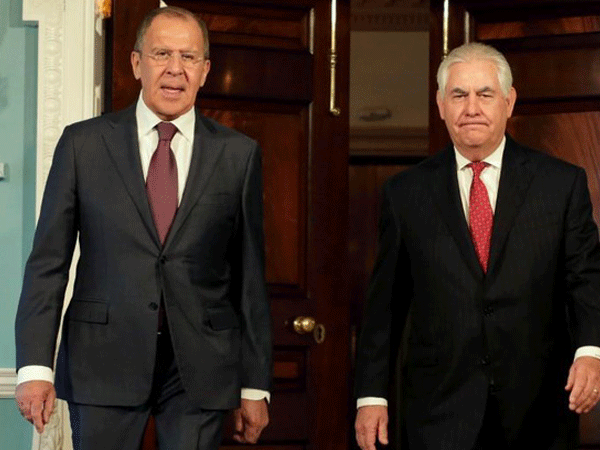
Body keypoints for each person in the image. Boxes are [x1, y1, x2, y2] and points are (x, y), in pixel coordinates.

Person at [14, 6, 271, 450]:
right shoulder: (82, 144)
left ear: (205, 70)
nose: (175, 68)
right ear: (136, 63)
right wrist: (35, 367)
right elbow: (48, 264)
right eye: (161, 54)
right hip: (103, 359)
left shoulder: (238, 154)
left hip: (201, 369)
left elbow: (249, 278)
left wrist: (255, 384)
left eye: (189, 57)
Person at [354, 42, 600, 450]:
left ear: (509, 101)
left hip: (538, 411)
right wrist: (371, 397)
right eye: (459, 95)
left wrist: (590, 351)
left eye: (485, 94)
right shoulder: (405, 194)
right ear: (440, 105)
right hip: (439, 412)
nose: (472, 108)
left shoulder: (560, 184)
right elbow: (385, 307)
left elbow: (587, 280)